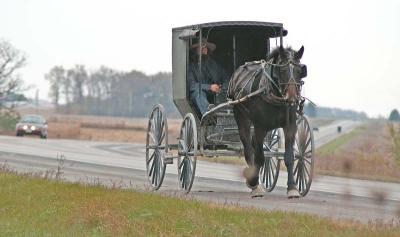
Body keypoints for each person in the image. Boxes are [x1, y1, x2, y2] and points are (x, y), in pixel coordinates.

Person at [188, 38, 229, 115]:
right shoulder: (191, 66)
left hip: (216, 94)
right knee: (198, 92)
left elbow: (226, 78)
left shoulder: (214, 65)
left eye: (205, 47)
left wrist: (222, 88)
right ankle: (208, 114)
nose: (204, 49)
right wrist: (209, 87)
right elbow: (192, 85)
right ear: (195, 50)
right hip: (198, 95)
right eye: (201, 47)